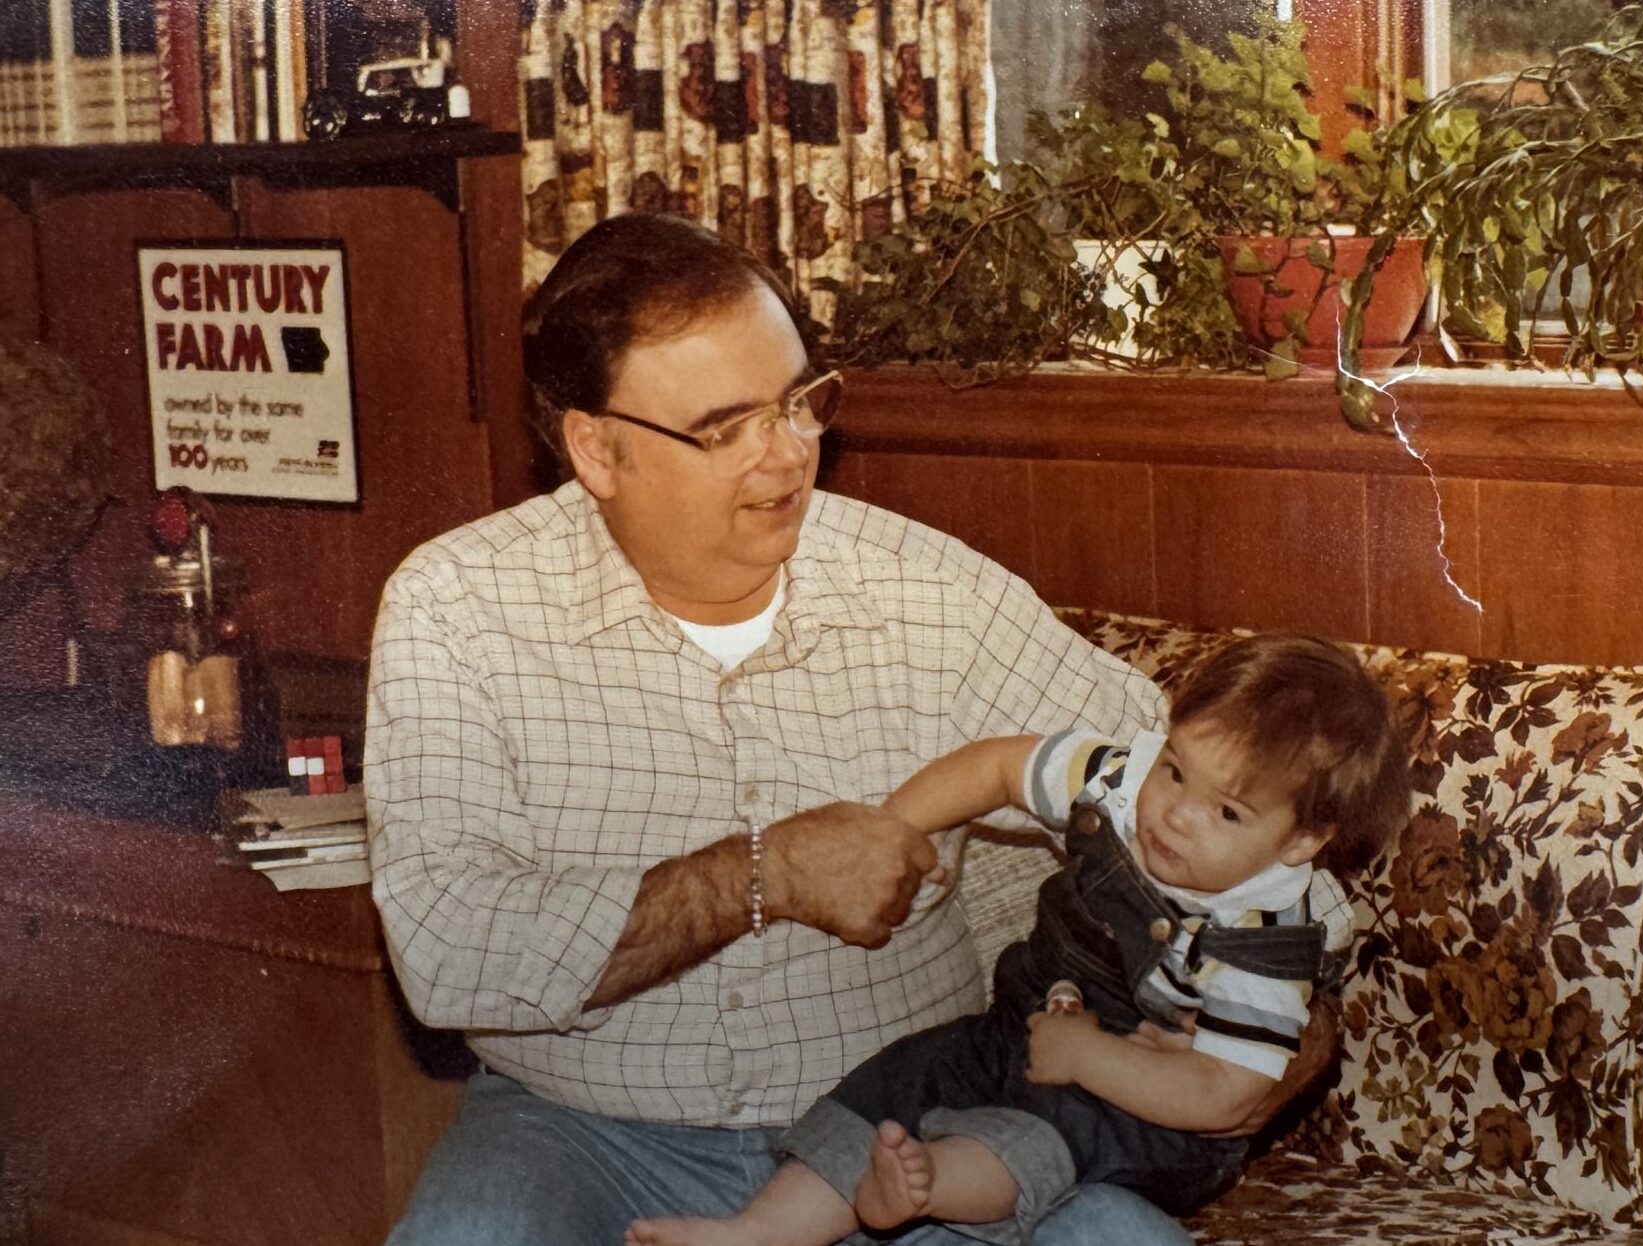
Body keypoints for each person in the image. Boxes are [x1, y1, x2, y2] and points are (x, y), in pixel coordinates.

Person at [365, 212, 1333, 1246]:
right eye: (725, 426)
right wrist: (761, 875)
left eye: (798, 403)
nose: (788, 455)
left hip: (915, 1129)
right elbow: (448, 951)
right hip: (584, 1133)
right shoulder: (457, 608)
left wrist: (1291, 1040)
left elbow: (1224, 801)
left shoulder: (932, 594)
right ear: (596, 450)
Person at [629, 633, 1411, 1246]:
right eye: (1177, 771)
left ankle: (925, 1186)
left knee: (1052, 1126)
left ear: (1302, 842)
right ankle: (758, 1231)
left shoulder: (1264, 936)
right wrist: (894, 831)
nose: (1172, 813)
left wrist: (1089, 1057)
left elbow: (1226, 1095)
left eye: (1227, 813)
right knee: (908, 1070)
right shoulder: (1123, 783)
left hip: (1150, 1105)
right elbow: (1003, 767)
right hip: (1026, 1023)